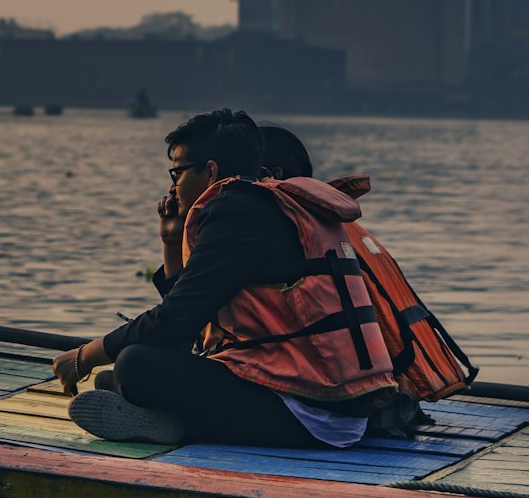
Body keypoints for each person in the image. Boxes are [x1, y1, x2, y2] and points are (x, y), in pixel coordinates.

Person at [52, 107, 397, 447]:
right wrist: (172, 242)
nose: (173, 187)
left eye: (178, 173)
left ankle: (176, 424)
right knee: (139, 364)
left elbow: (173, 323)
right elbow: (186, 322)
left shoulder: (239, 212)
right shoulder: (266, 206)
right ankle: (162, 414)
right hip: (331, 400)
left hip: (311, 412)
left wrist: (84, 356)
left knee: (134, 365)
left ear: (211, 170)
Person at [258, 123, 476, 418]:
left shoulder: (293, 232)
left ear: (270, 175)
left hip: (359, 404)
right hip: (397, 397)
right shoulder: (336, 225)